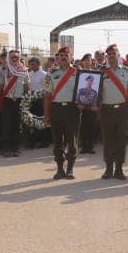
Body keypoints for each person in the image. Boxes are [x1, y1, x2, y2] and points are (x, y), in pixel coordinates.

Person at [43, 46, 80, 179]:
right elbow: (47, 96)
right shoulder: (51, 74)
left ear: (71, 57)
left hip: (72, 109)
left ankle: (70, 169)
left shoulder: (78, 73)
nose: (63, 57)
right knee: (58, 141)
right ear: (58, 58)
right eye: (61, 55)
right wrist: (46, 115)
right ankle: (60, 169)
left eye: (66, 55)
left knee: (72, 140)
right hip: (56, 109)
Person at [98, 44, 128, 180]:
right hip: (106, 110)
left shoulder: (127, 71)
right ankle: (108, 169)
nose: (111, 55)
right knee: (108, 140)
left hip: (122, 110)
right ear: (106, 56)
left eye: (114, 53)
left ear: (118, 55)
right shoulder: (101, 72)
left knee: (121, 140)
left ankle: (119, 169)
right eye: (109, 54)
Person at [0, 49, 29, 156]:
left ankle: (15, 147)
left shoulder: (24, 70)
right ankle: (5, 148)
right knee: (6, 125)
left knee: (16, 125)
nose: (14, 59)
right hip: (7, 100)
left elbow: (26, 87)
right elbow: (0, 87)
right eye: (12, 57)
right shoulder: (4, 70)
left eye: (16, 57)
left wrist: (25, 100)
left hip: (19, 101)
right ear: (8, 58)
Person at [77, 53, 98, 154]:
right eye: (85, 60)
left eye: (88, 60)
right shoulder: (78, 74)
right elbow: (75, 92)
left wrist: (96, 105)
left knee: (91, 125)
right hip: (80, 105)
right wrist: (77, 103)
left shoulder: (96, 74)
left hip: (92, 106)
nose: (87, 62)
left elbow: (99, 93)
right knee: (82, 126)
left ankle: (90, 146)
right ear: (82, 62)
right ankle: (83, 146)